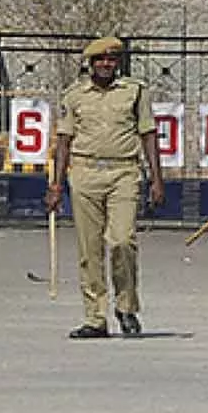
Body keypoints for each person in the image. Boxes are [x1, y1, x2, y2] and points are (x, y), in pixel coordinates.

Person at [45, 36, 165, 338]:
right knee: (90, 248)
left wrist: (157, 178)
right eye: (100, 60)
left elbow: (148, 134)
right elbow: (64, 140)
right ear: (90, 64)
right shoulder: (75, 95)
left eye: (111, 60)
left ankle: (126, 307)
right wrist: (56, 184)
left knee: (123, 240)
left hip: (124, 171)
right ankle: (95, 316)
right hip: (85, 171)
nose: (105, 65)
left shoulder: (134, 92)